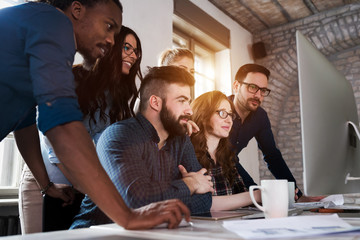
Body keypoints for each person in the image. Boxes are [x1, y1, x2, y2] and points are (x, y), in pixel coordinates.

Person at [0, 0, 189, 231]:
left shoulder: (39, 31)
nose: (111, 40)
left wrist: (46, 185)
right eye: (109, 26)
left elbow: (24, 123)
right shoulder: (54, 22)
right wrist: (127, 216)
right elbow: (62, 129)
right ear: (77, 10)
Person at [18, 25, 144, 233]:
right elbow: (52, 138)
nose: (133, 55)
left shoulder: (118, 98)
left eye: (136, 51)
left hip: (80, 188)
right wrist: (82, 184)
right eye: (127, 47)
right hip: (47, 183)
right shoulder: (73, 79)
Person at [71, 66, 213, 229]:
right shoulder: (118, 135)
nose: (189, 110)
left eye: (188, 101)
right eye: (181, 101)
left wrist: (164, 195)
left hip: (151, 234)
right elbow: (136, 201)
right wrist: (190, 185)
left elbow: (205, 200)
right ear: (155, 102)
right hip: (94, 235)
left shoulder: (181, 141)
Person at [230, 63, 323, 201]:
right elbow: (227, 158)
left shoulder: (260, 117)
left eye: (263, 90)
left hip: (229, 169)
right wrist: (256, 192)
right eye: (253, 87)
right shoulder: (221, 111)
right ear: (236, 86)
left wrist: (297, 195)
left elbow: (272, 156)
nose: (258, 95)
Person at [190, 91, 261, 210]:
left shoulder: (228, 155)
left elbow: (250, 188)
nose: (229, 121)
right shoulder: (188, 154)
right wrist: (257, 196)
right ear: (203, 116)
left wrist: (277, 194)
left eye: (230, 115)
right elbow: (202, 203)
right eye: (222, 113)